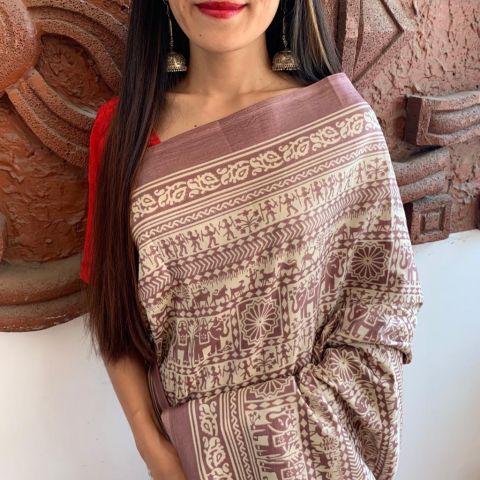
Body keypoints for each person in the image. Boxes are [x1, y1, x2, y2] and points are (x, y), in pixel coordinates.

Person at [81, 1, 424, 479]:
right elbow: (114, 302)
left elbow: (384, 303)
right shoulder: (124, 133)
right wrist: (151, 444)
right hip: (189, 461)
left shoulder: (342, 126)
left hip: (323, 458)